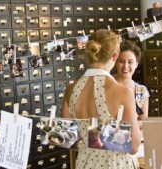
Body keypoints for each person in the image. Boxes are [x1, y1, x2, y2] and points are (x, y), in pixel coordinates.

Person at [61, 29, 142, 169]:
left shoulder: (71, 89)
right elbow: (134, 146)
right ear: (115, 56)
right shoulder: (123, 93)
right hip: (115, 165)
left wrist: (91, 134)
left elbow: (68, 138)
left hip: (85, 164)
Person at [113, 40, 150, 121]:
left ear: (136, 64)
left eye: (130, 62)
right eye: (121, 61)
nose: (126, 66)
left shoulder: (142, 91)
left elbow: (143, 122)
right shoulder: (107, 83)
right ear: (115, 62)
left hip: (132, 133)